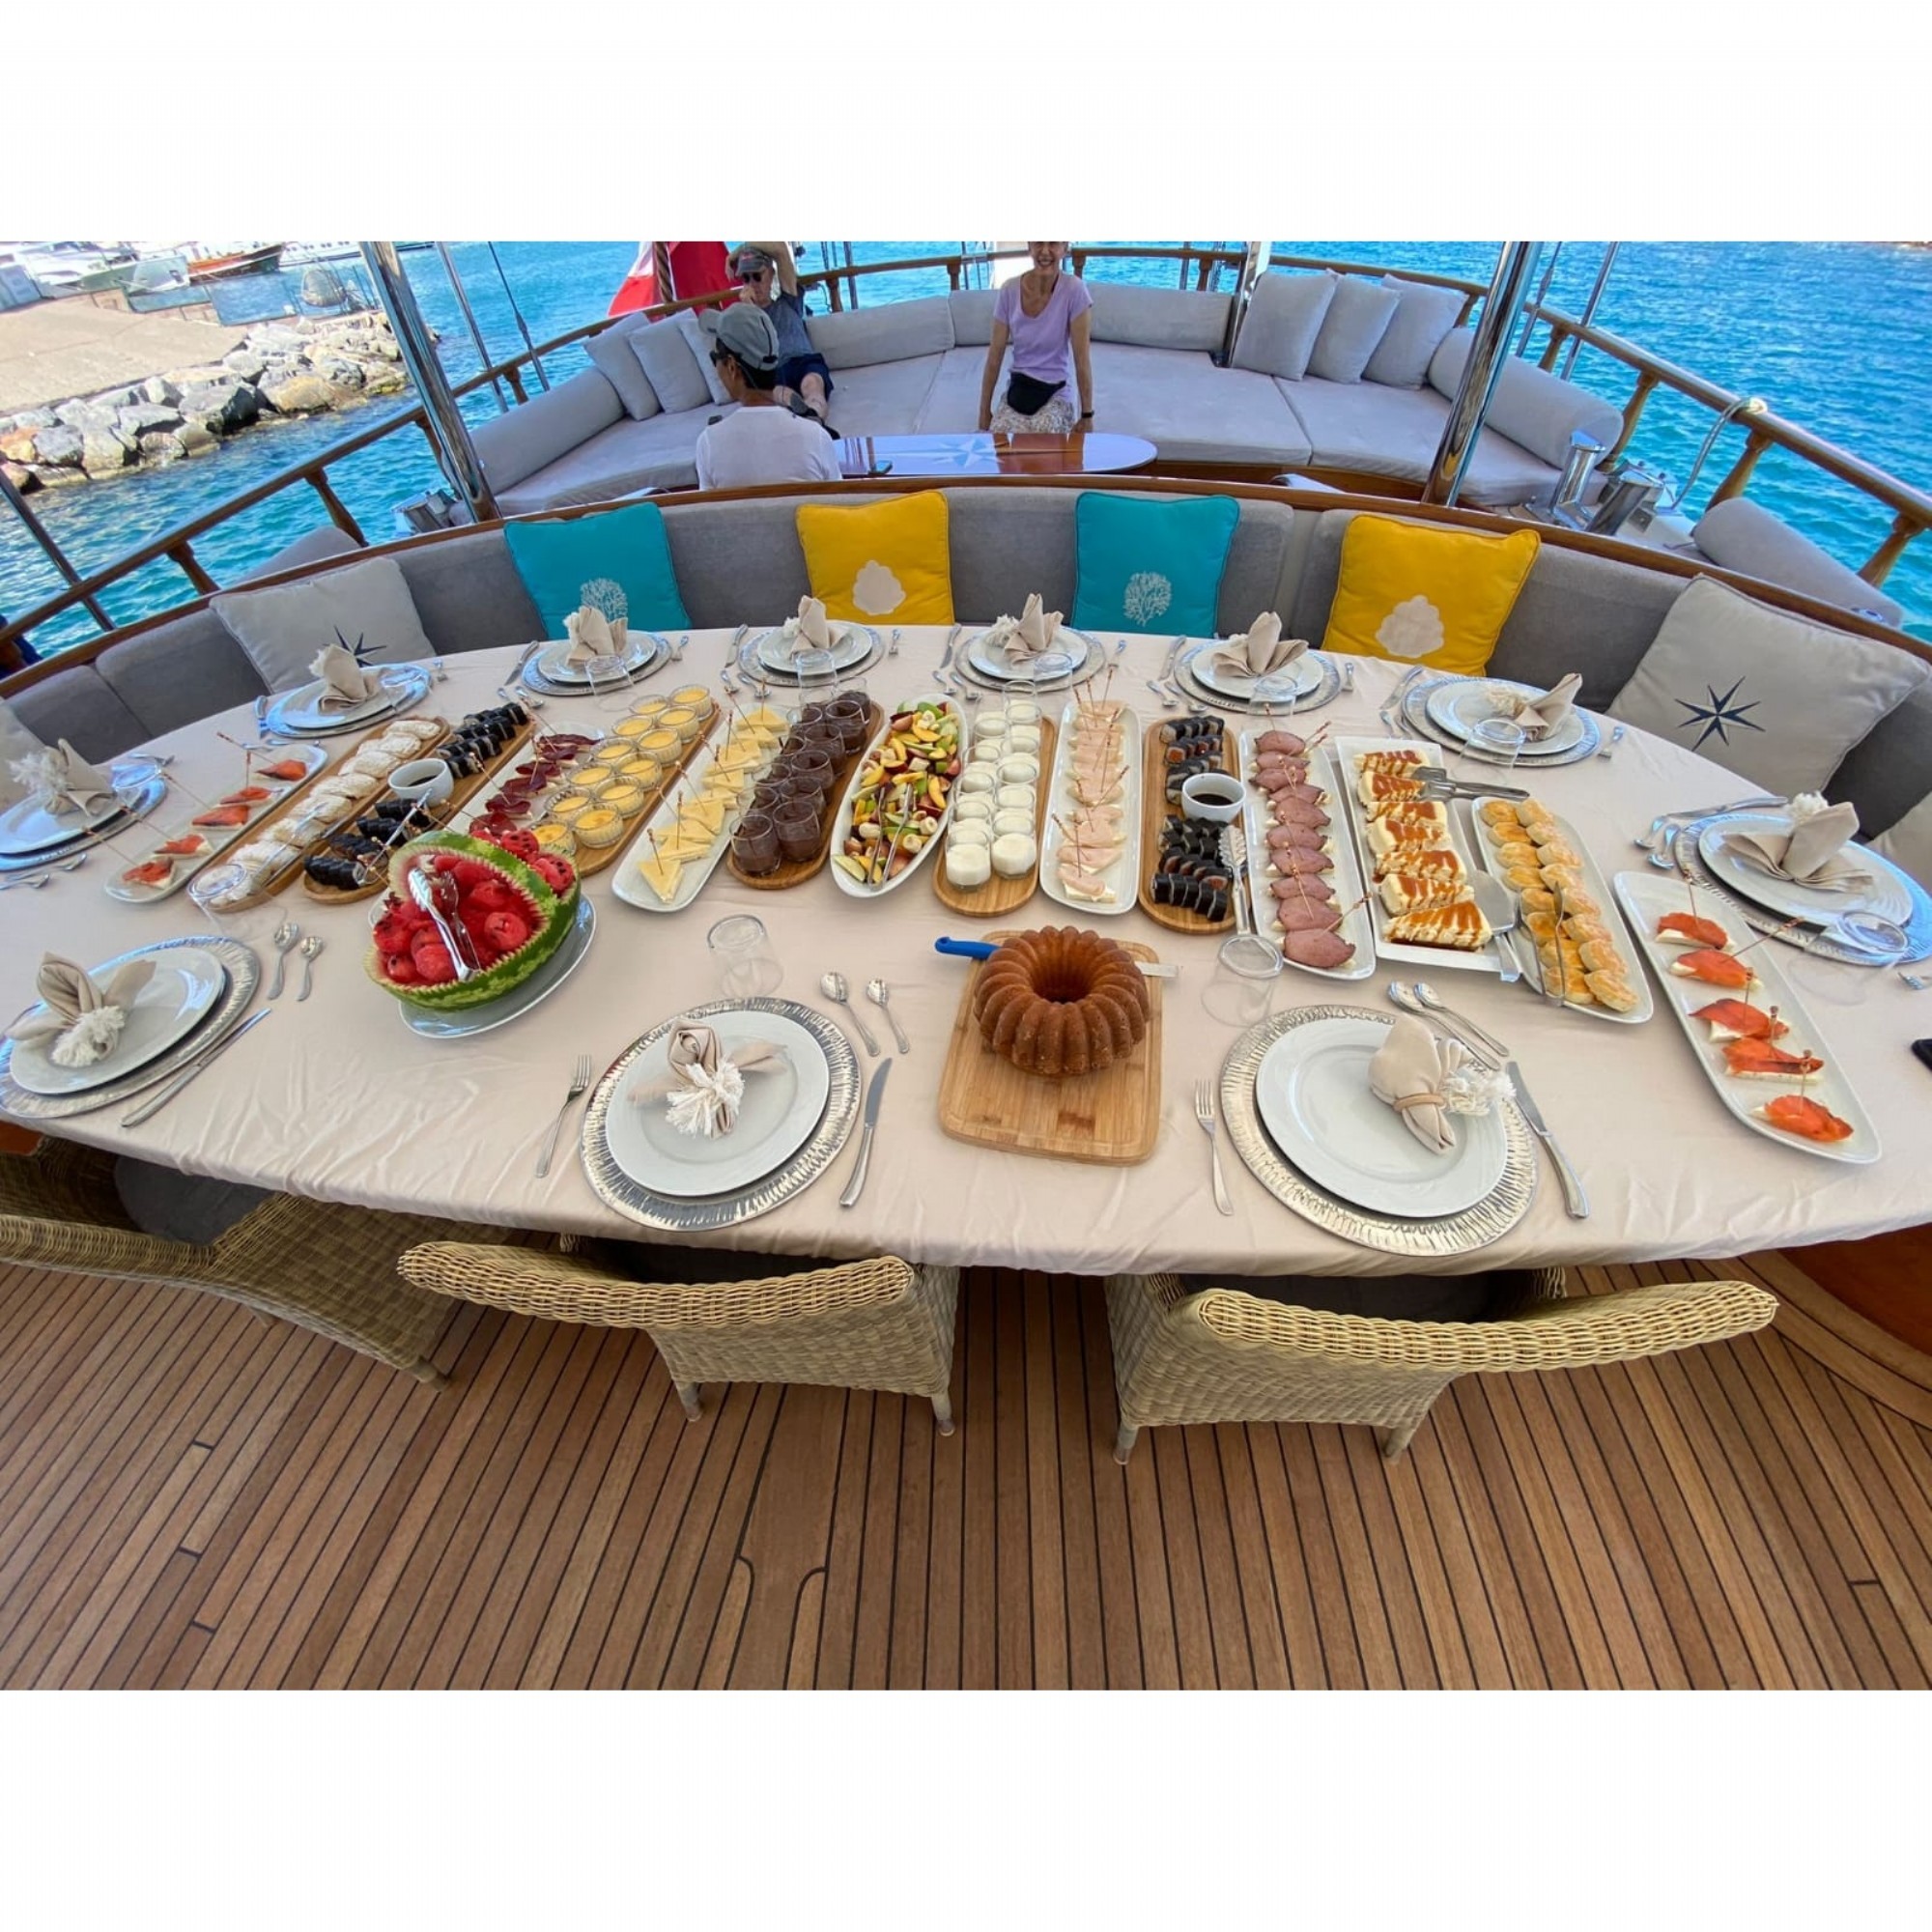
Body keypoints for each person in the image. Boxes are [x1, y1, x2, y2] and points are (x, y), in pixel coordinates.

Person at [694, 302, 845, 493]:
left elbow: (708, 509)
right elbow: (838, 503)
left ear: (731, 367)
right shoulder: (816, 437)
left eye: (714, 358)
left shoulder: (709, 443)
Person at [978, 242, 1095, 436]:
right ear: (1030, 247)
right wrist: (984, 412)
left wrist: (1087, 416)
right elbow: (994, 357)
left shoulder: (1075, 290)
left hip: (1056, 391)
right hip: (1020, 389)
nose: (1045, 251)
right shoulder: (1009, 290)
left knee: (1043, 437)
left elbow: (1082, 360)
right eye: (1039, 243)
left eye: (1053, 244)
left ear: (1064, 248)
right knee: (999, 440)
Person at [732, 242, 836, 431]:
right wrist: (751, 312)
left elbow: (780, 250)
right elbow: (755, 353)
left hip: (803, 360)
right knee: (782, 393)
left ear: (771, 274)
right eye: (746, 279)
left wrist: (734, 254)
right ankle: (805, 419)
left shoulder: (788, 300)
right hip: (773, 371)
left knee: (812, 385)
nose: (753, 284)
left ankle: (814, 418)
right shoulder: (745, 317)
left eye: (757, 276)